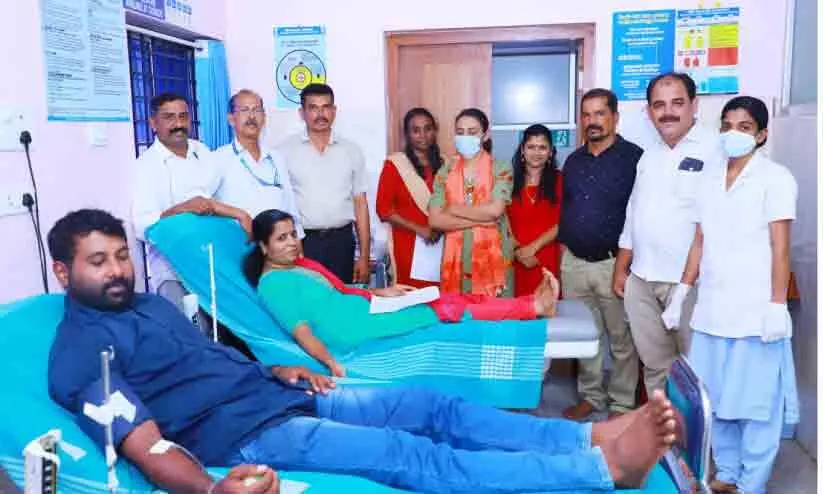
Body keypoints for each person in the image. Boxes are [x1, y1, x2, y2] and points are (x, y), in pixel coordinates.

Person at [48, 208, 679, 494]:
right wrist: (210, 492)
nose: (117, 270)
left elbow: (209, 362)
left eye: (122, 254)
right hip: (254, 436)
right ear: (60, 271)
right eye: (98, 261)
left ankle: (584, 439)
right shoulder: (83, 352)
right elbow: (145, 443)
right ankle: (598, 473)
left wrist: (278, 367)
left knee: (436, 407)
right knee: (413, 454)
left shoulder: (151, 305)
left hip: (284, 392)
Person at [662, 96, 799, 494]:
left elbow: (782, 248)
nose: (733, 134)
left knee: (755, 406)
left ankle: (752, 483)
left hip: (756, 314)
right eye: (726, 125)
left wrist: (777, 305)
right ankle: (726, 475)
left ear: (762, 135)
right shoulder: (708, 179)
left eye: (744, 127)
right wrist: (680, 294)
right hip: (712, 312)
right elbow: (699, 242)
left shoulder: (775, 179)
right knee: (714, 399)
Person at [244, 209, 559, 376]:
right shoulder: (272, 285)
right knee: (447, 308)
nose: (291, 243)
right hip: (352, 329)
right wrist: (332, 364)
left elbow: (339, 291)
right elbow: (302, 333)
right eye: (281, 239)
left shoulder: (297, 265)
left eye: (292, 236)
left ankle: (529, 303)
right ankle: (532, 306)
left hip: (362, 310)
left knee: (446, 298)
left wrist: (384, 292)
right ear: (263, 246)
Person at [615, 73, 724, 394]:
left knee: (697, 371)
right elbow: (634, 212)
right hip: (643, 280)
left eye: (677, 103)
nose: (668, 112)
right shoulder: (649, 156)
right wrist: (623, 267)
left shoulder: (717, 151)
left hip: (690, 284)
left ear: (694, 105)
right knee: (655, 367)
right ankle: (663, 442)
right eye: (659, 105)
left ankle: (702, 444)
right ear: (649, 112)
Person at [557, 89, 643, 420]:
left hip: (614, 264)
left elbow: (639, 214)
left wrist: (626, 263)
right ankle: (591, 397)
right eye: (586, 115)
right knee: (585, 336)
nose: (592, 121)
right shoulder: (574, 160)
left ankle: (621, 404)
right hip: (575, 264)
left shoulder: (634, 158)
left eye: (599, 114)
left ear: (615, 117)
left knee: (622, 341)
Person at [131, 92, 252, 310]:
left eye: (183, 116)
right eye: (169, 117)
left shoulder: (202, 151)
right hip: (174, 272)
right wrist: (185, 208)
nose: (178, 124)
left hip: (213, 265)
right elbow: (142, 226)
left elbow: (213, 200)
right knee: (193, 331)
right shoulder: (145, 166)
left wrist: (239, 214)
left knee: (224, 331)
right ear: (153, 123)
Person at [276, 84, 370, 284]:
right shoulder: (283, 152)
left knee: (341, 304)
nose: (321, 114)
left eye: (326, 107)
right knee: (306, 306)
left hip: (342, 242)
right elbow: (281, 204)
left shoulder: (351, 151)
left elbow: (361, 205)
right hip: (303, 244)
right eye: (313, 108)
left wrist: (363, 256)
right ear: (302, 113)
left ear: (334, 111)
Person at [429, 108, 515, 297]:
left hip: (493, 260)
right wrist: (479, 220)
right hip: (456, 263)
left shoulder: (500, 168)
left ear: (485, 135)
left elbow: (494, 211)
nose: (465, 137)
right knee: (460, 321)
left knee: (494, 320)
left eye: (472, 132)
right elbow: (435, 220)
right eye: (460, 132)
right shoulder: (445, 172)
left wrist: (452, 209)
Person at [210, 89, 303, 226]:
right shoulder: (218, 159)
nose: (252, 116)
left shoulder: (276, 158)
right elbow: (201, 201)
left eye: (257, 110)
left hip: (275, 244)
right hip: (239, 244)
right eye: (244, 110)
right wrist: (239, 215)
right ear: (231, 119)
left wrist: (297, 241)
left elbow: (290, 205)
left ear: (264, 118)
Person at [376, 108, 444, 288]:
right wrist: (420, 229)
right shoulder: (395, 165)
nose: (423, 135)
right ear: (407, 134)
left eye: (428, 128)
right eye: (416, 130)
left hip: (443, 244)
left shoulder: (447, 164)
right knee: (412, 298)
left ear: (435, 131)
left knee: (442, 301)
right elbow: (383, 210)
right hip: (409, 245)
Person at [507, 124, 562, 297]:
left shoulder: (560, 180)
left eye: (542, 147)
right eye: (531, 147)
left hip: (547, 259)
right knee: (517, 316)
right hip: (515, 260)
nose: (536, 153)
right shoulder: (507, 181)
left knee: (548, 316)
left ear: (551, 152)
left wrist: (533, 248)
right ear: (522, 150)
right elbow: (500, 220)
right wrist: (518, 250)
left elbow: (564, 221)